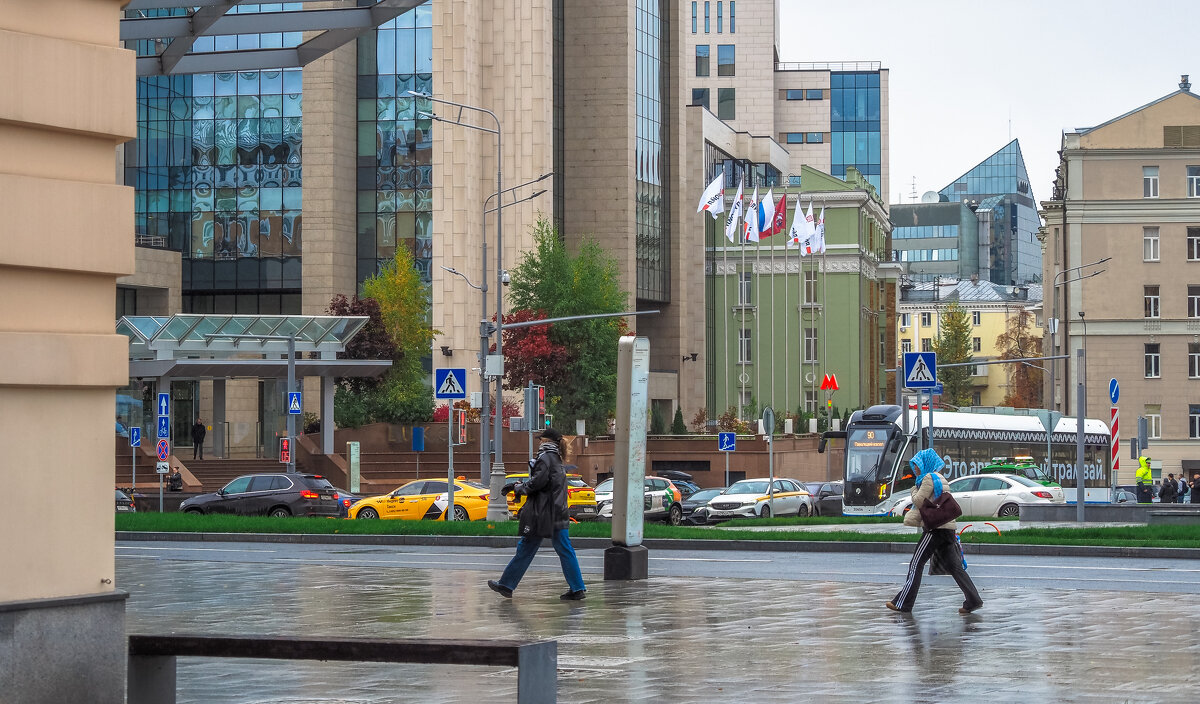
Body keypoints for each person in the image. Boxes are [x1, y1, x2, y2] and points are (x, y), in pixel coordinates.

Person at [488, 427, 586, 601]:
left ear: (547, 441)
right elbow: (543, 482)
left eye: (541, 439)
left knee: (527, 547)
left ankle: (506, 584)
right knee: (563, 549)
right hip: (556, 511)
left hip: (543, 513)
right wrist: (521, 485)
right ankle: (577, 588)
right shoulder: (556, 458)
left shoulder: (545, 458)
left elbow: (537, 483)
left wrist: (517, 487)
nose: (539, 442)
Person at [887, 448, 982, 615]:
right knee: (955, 567)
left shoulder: (928, 478)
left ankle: (903, 603)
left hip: (935, 529)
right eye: (914, 465)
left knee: (916, 564)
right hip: (947, 529)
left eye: (917, 464)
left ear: (925, 464)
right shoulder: (940, 478)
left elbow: (919, 500)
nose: (915, 468)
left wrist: (913, 490)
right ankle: (973, 600)